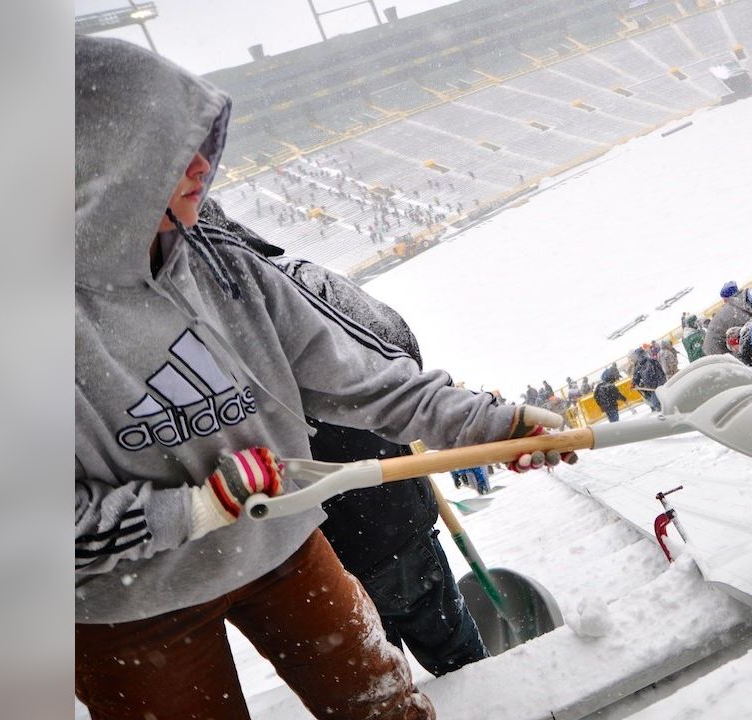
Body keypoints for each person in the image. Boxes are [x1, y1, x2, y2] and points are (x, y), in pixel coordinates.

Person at [75, 37, 571, 720]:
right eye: (162, 154)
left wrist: (495, 423)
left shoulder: (221, 259)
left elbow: (365, 378)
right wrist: (191, 508)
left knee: (387, 708)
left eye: (196, 142)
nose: (199, 167)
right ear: (93, 171)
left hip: (283, 546)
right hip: (130, 609)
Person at [197, 198, 489, 677]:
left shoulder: (189, 334)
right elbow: (399, 352)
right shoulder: (300, 282)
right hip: (375, 527)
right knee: (456, 661)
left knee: (381, 687)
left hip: (321, 552)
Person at [703, 280, 752, 355]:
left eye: (724, 300)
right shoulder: (734, 313)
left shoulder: (735, 309)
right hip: (719, 353)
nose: (724, 302)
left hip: (715, 351)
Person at [631, 346, 667, 412]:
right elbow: (637, 376)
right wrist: (634, 382)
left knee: (659, 403)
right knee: (656, 404)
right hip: (652, 389)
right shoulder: (640, 366)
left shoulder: (651, 362)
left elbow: (660, 374)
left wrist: (659, 386)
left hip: (659, 388)